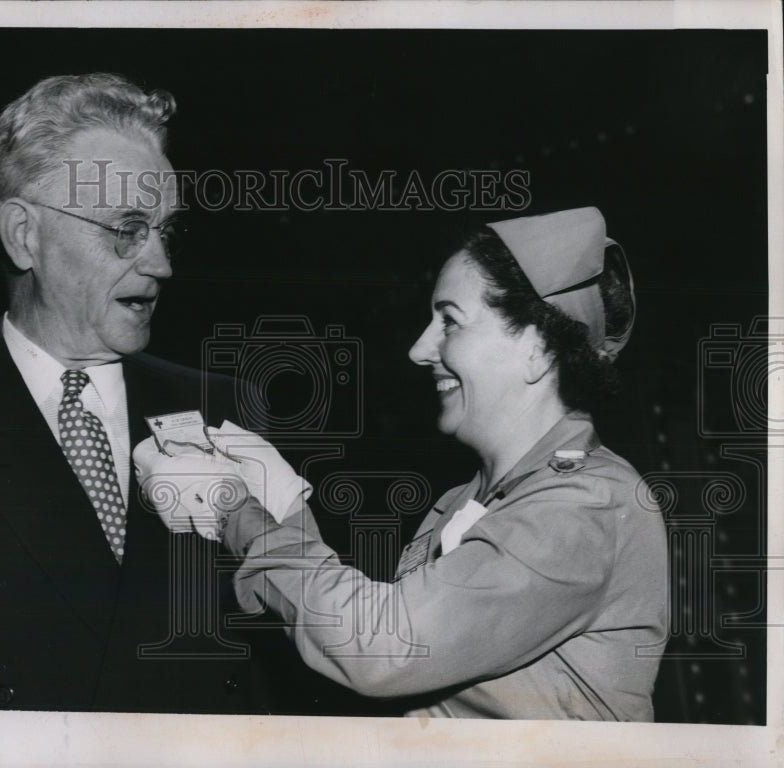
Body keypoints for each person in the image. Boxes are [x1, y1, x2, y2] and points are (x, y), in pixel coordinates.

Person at [0, 73, 280, 713]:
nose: (161, 264)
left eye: (165, 231)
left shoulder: (226, 412)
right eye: (126, 228)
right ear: (23, 234)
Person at [136, 207, 669, 720]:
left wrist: (236, 512)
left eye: (450, 322)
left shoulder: (587, 504)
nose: (419, 349)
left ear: (536, 347)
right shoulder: (465, 502)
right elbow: (383, 651)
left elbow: (383, 646)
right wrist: (283, 509)